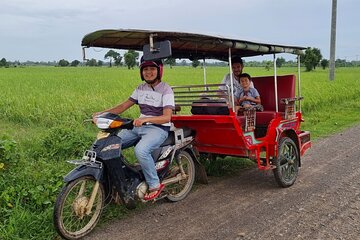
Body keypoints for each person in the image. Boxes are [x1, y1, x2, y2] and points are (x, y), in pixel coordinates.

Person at [93, 58, 175, 201]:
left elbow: (167, 117)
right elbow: (123, 106)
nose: (148, 72)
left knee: (141, 150)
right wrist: (102, 114)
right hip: (138, 127)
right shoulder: (140, 88)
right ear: (141, 72)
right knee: (110, 144)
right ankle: (119, 179)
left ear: (159, 71)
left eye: (152, 69)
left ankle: (155, 185)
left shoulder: (166, 89)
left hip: (158, 128)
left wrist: (146, 119)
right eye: (145, 69)